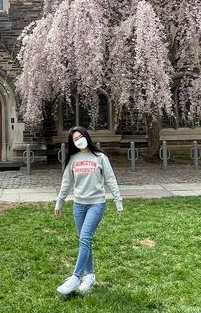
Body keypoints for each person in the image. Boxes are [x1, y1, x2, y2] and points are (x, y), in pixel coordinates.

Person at [55, 126, 123, 295]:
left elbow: (111, 179)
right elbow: (66, 183)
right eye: (74, 139)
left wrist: (118, 201)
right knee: (85, 241)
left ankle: (75, 277)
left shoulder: (100, 157)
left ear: (86, 136)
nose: (78, 140)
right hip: (78, 205)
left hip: (96, 204)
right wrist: (59, 202)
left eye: (80, 136)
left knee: (84, 239)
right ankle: (90, 275)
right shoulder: (73, 159)